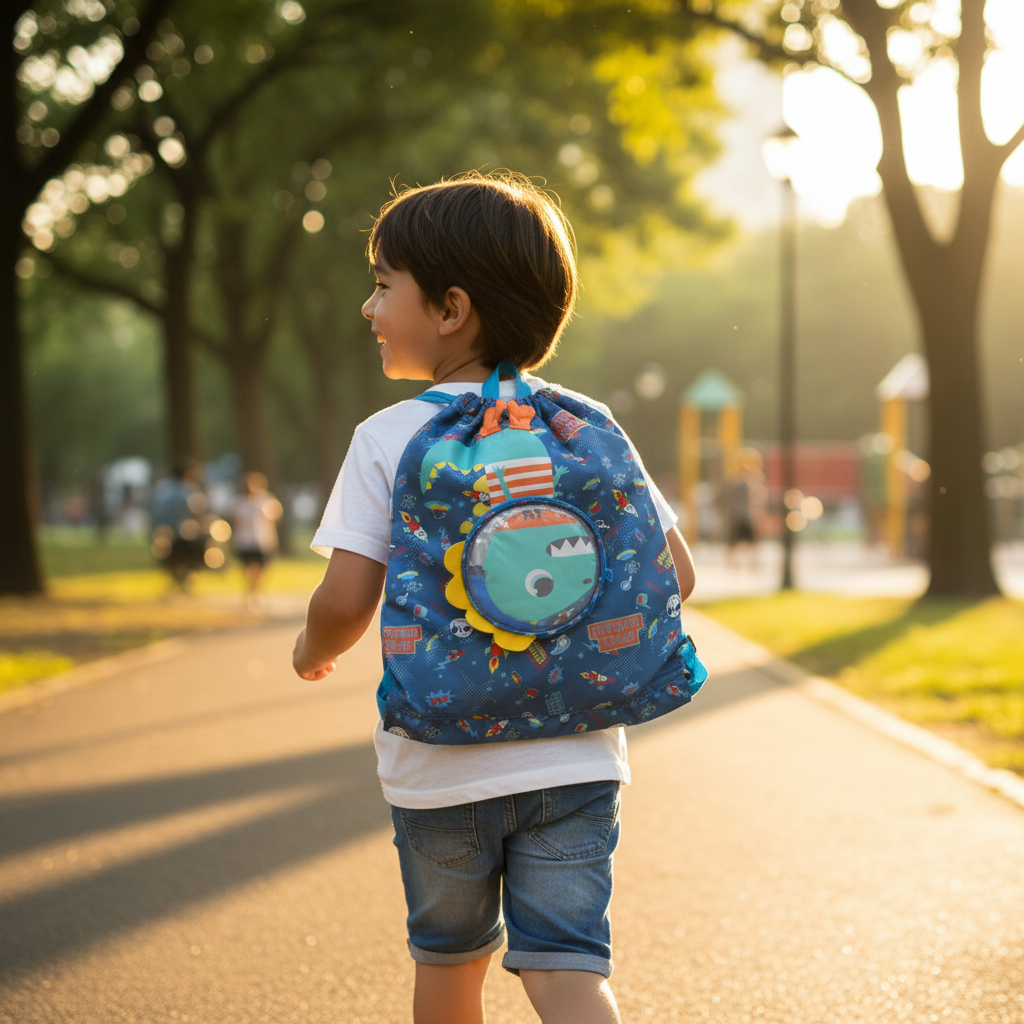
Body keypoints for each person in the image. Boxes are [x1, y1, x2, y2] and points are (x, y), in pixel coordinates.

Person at [292, 173, 696, 1024]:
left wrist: (313, 649)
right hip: (578, 759)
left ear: (449, 309)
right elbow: (677, 575)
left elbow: (346, 595)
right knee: (567, 970)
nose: (367, 308)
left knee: (449, 967)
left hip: (439, 767)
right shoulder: (588, 424)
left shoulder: (388, 438)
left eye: (380, 284)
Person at [151, 459, 208, 589]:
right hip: (182, 533)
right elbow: (196, 510)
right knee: (199, 546)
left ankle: (176, 578)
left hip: (162, 531)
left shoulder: (162, 487)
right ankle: (187, 577)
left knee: (169, 555)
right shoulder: (188, 490)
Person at [231, 471, 282, 595]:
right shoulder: (240, 502)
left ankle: (255, 591)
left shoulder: (266, 501)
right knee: (249, 568)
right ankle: (252, 591)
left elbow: (274, 518)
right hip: (245, 541)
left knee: (260, 569)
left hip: (262, 540)